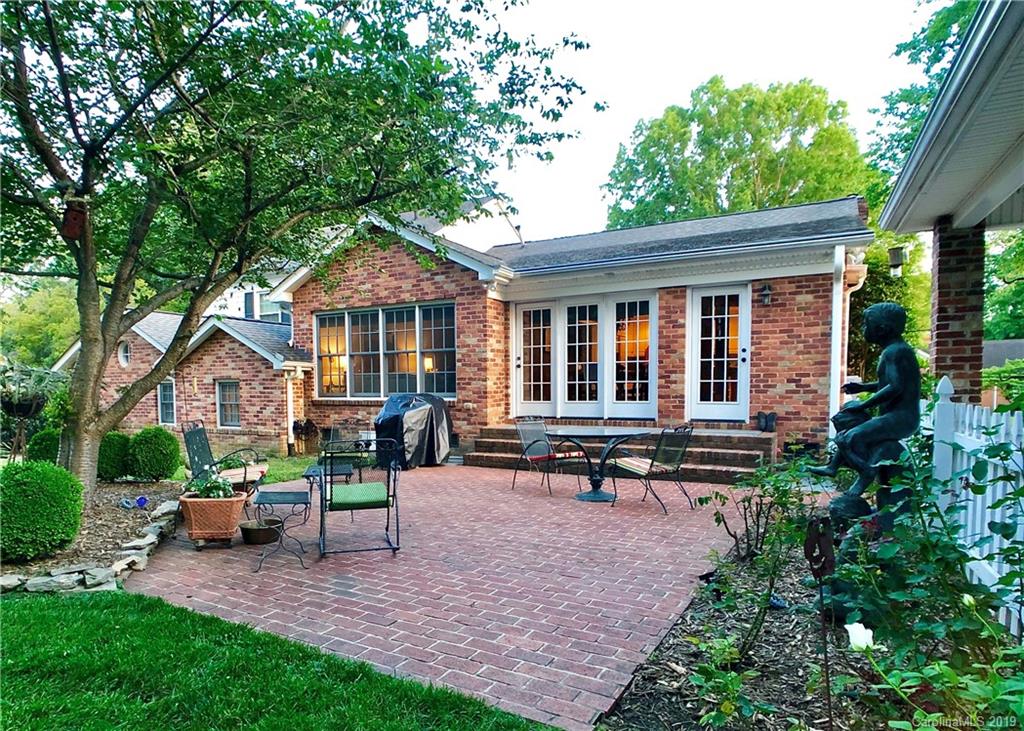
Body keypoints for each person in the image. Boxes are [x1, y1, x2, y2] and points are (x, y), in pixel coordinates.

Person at [810, 302, 920, 496]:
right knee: (847, 422)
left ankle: (865, 473)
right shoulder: (892, 350)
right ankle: (833, 467)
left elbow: (895, 387)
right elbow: (887, 382)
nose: (863, 329)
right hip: (892, 415)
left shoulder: (896, 351)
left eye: (866, 324)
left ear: (882, 328)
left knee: (851, 437)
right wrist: (863, 388)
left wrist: (864, 404)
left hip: (902, 418)